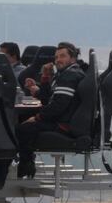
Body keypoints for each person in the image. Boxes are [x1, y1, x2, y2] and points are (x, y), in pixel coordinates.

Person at [16, 41, 86, 179]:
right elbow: (49, 100)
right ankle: (27, 163)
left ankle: (26, 166)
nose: (58, 60)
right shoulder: (66, 73)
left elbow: (57, 106)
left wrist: (37, 118)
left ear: (72, 58)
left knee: (22, 129)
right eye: (56, 57)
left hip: (63, 124)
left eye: (62, 56)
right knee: (24, 121)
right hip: (61, 118)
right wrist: (44, 78)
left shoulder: (69, 75)